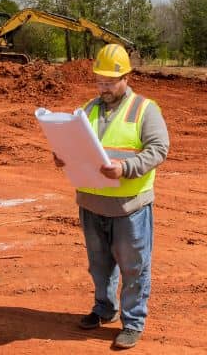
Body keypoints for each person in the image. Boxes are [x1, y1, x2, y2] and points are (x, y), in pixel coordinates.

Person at [53, 44, 169, 350]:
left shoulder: (145, 110)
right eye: (99, 81)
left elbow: (159, 150)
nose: (103, 87)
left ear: (126, 78)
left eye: (109, 82)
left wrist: (126, 167)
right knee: (99, 264)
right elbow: (75, 145)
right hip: (91, 204)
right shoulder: (87, 110)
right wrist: (62, 156)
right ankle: (104, 309)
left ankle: (133, 322)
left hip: (129, 207)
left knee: (134, 267)